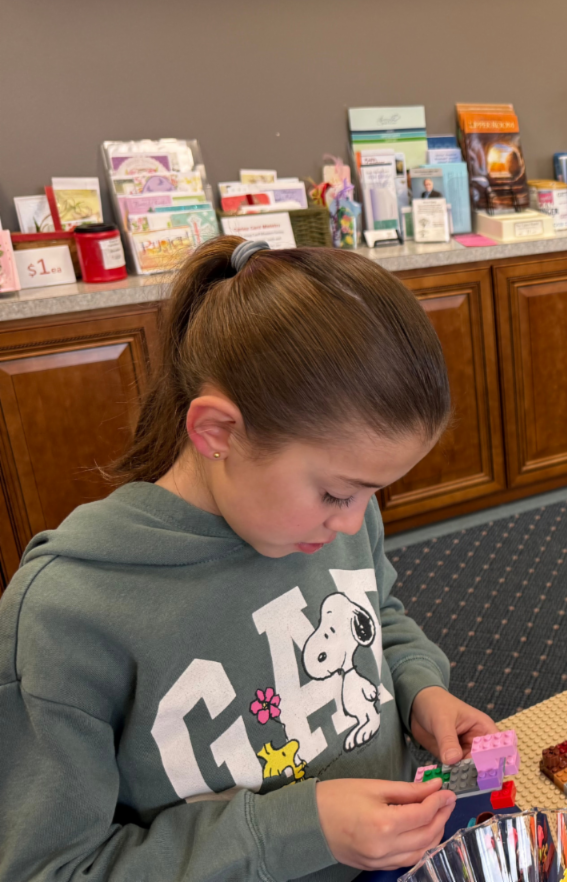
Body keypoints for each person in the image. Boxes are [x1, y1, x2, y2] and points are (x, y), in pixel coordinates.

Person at [0, 238, 497, 881]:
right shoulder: (66, 615)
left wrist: (418, 688)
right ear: (218, 433)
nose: (354, 521)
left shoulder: (328, 521)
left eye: (372, 493)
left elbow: (378, 617)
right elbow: (52, 869)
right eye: (336, 493)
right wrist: (301, 828)